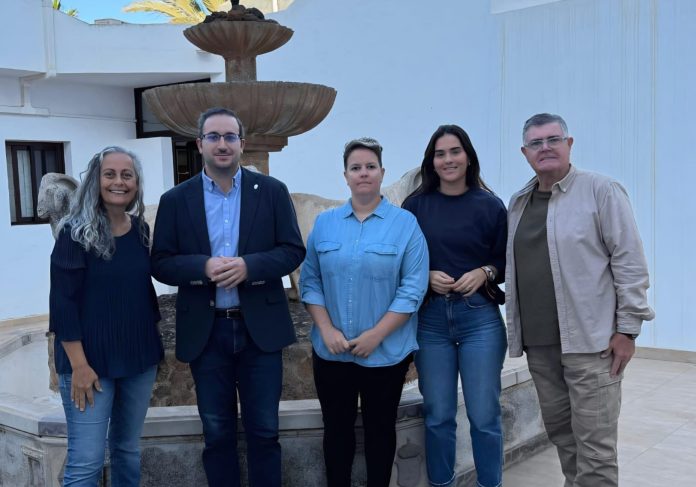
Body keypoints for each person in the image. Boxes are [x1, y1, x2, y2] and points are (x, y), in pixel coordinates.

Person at [150, 107, 305, 487]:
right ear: (199, 144)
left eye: (230, 137)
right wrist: (202, 267)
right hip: (207, 334)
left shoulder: (272, 192)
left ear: (242, 143)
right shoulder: (175, 199)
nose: (222, 144)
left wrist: (251, 266)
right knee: (217, 434)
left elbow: (292, 250)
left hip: (259, 332)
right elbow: (161, 263)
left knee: (265, 432)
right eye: (214, 137)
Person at [506, 113, 655, 487]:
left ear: (569, 144)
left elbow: (629, 261)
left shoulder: (601, 191)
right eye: (536, 143)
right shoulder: (519, 202)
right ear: (525, 153)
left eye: (553, 139)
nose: (545, 148)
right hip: (540, 347)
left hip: (592, 346)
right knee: (564, 439)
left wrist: (628, 330)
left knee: (596, 450)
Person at [300, 137, 429, 487]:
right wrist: (326, 330)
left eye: (370, 167)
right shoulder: (325, 224)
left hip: (385, 353)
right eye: (355, 168)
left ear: (382, 173)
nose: (363, 173)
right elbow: (310, 281)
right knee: (336, 432)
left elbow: (413, 288)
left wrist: (376, 335)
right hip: (332, 353)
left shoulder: (405, 225)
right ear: (345, 176)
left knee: (380, 431)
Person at [49, 146, 163, 486]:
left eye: (127, 175)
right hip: (89, 364)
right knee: (86, 461)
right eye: (109, 174)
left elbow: (142, 293)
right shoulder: (73, 233)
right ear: (95, 182)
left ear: (136, 183)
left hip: (138, 360)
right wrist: (79, 367)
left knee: (127, 450)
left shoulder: (140, 230)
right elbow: (63, 304)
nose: (118, 182)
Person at [402, 125, 508, 487]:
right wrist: (425, 275)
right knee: (438, 416)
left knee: (484, 416)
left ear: (468, 157)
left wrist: (485, 271)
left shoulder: (490, 205)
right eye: (440, 153)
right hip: (430, 322)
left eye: (455, 151)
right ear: (431, 161)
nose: (448, 160)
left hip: (480, 320)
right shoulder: (415, 206)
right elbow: (401, 262)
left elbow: (505, 261)